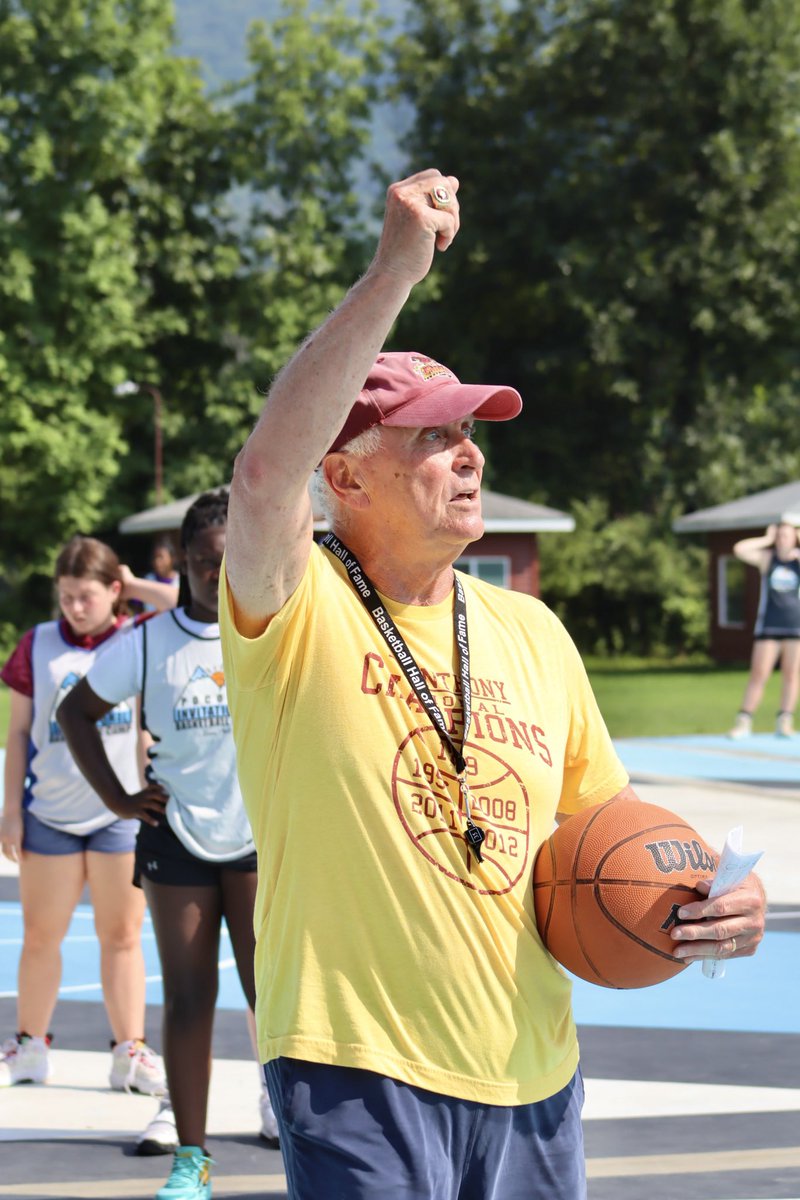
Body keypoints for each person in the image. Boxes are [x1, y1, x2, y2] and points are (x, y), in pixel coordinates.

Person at [218, 168, 768, 1200]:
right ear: (344, 476)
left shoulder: (528, 629)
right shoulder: (295, 608)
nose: (469, 455)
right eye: (433, 436)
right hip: (356, 1070)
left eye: (470, 433)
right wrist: (394, 270)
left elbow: (606, 820)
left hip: (533, 1070)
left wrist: (715, 895)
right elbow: (259, 478)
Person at [57, 491, 279, 1200]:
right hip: (175, 840)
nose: (219, 573)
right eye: (206, 562)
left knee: (271, 995)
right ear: (184, 562)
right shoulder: (149, 642)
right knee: (188, 999)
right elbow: (76, 712)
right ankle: (193, 1158)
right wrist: (119, 800)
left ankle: (301, 1132)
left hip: (256, 838)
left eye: (230, 560)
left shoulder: (273, 631)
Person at [0, 537, 172, 1095]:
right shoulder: (38, 644)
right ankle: (30, 1045)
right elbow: (20, 731)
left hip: (119, 815)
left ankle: (130, 1051)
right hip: (48, 812)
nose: (74, 607)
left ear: (114, 592)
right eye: (67, 596)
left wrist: (137, 583)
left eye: (87, 597)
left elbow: (188, 602)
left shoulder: (138, 635)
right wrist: (10, 811)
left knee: (121, 936)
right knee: (39, 936)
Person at [728, 522, 800, 739]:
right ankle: (744, 720)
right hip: (769, 626)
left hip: (795, 627)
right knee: (759, 673)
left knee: (792, 675)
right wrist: (765, 539)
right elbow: (739, 550)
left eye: (787, 536)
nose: (782, 539)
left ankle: (785, 721)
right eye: (779, 536)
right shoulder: (769, 559)